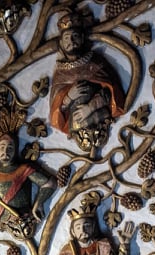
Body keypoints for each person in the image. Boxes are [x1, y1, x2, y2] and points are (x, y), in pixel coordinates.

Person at [50, 9, 125, 154]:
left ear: (83, 38)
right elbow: (57, 111)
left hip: (99, 115)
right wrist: (68, 97)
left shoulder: (95, 63)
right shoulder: (60, 74)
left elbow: (110, 91)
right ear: (61, 42)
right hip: (76, 124)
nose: (71, 42)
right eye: (66, 38)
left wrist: (90, 108)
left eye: (75, 36)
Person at [0, 129, 55, 239]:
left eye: (10, 148)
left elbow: (49, 183)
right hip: (7, 224)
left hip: (26, 220)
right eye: (2, 147)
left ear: (15, 150)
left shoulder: (24, 169)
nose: (5, 152)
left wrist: (38, 203)